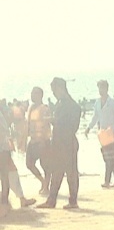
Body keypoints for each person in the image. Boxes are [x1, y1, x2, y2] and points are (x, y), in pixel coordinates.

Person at [40, 78, 81, 210]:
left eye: (54, 90)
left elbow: (70, 125)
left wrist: (53, 120)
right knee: (59, 172)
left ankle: (68, 201)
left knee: (70, 173)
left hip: (67, 142)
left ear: (60, 88)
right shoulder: (63, 103)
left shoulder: (70, 105)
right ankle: (55, 200)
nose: (53, 93)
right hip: (62, 142)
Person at [85, 81, 114, 187]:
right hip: (103, 134)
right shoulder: (97, 102)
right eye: (99, 88)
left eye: (102, 88)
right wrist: (89, 127)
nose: (101, 90)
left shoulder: (113, 103)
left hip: (112, 132)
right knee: (109, 157)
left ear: (107, 89)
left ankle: (107, 181)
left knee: (110, 157)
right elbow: (95, 116)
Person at [25, 87, 52, 198]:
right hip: (33, 140)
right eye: (31, 93)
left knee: (45, 165)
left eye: (34, 94)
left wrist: (43, 140)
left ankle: (46, 186)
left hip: (43, 141)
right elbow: (28, 124)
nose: (31, 96)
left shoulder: (44, 108)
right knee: (29, 164)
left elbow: (47, 125)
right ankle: (43, 181)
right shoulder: (31, 108)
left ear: (40, 95)